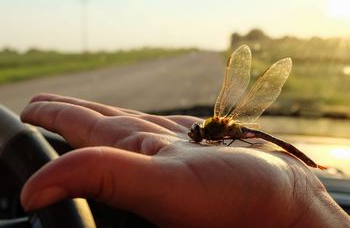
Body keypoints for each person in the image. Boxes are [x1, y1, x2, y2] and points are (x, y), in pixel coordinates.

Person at [20, 93, 350, 227]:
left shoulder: (218, 130)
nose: (193, 135)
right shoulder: (213, 132)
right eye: (195, 134)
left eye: (195, 133)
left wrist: (297, 200)